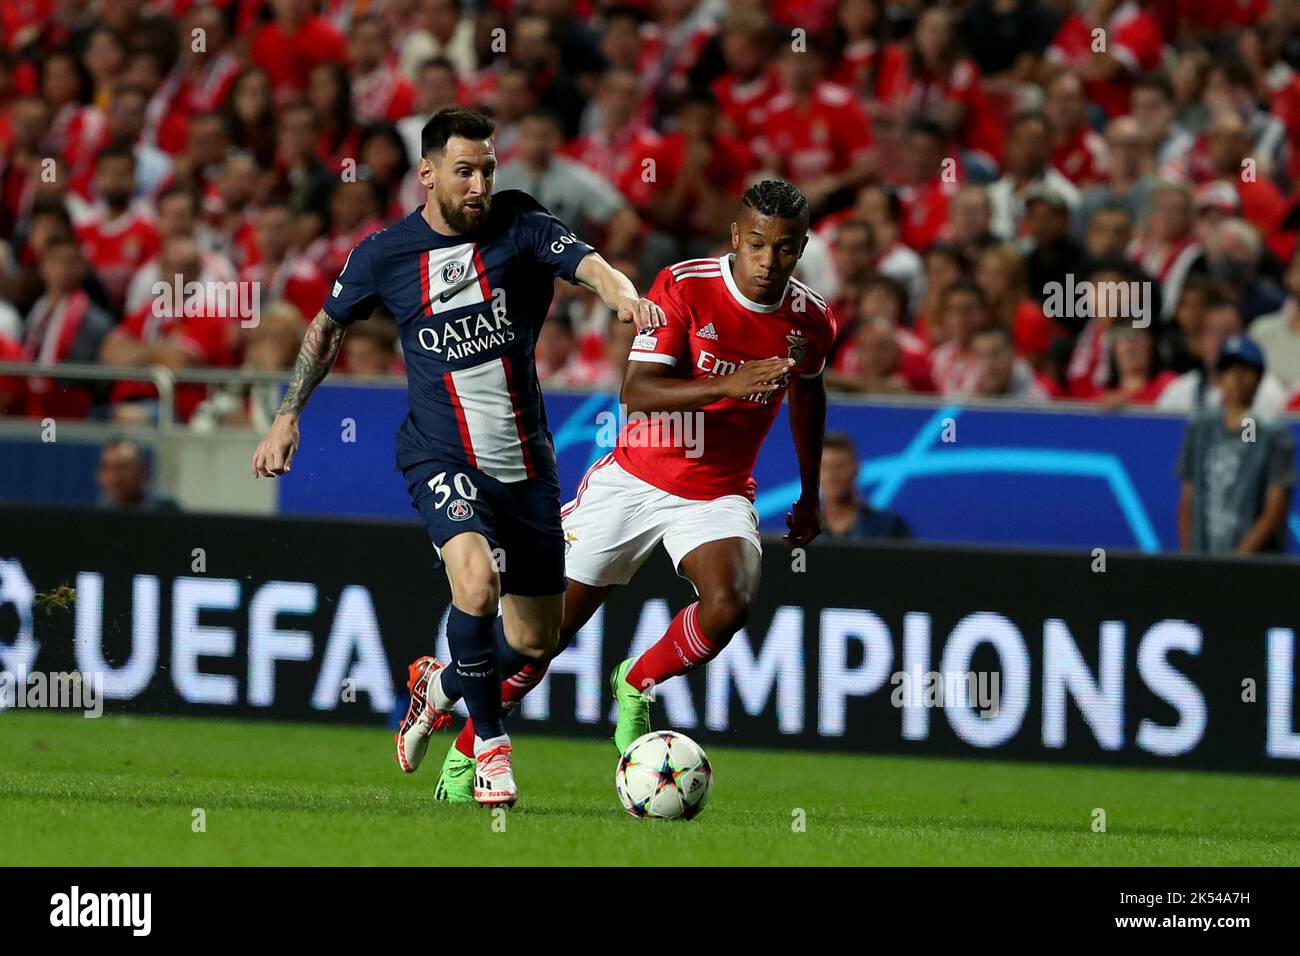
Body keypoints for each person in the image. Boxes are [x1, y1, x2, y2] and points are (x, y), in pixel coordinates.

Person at [249, 107, 663, 807]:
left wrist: (622, 292)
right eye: (465, 171)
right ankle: (493, 752)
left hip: (526, 466)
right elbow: (326, 329)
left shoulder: (520, 222)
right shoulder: (383, 254)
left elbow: (587, 263)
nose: (479, 184)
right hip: (439, 454)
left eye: (488, 169)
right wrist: (287, 416)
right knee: (474, 587)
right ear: (428, 174)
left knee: (536, 642)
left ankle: (435, 687)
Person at [427, 181, 836, 802]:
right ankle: (462, 742)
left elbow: (808, 393)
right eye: (756, 244)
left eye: (784, 249)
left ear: (802, 248)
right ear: (735, 238)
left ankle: (635, 682)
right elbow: (637, 392)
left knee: (730, 605)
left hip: (716, 493)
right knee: (537, 644)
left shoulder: (810, 321)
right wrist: (730, 386)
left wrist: (808, 493)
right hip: (633, 481)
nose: (768, 261)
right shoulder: (685, 285)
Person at [1176, 336, 1295, 555]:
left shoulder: (1274, 436)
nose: (1237, 378)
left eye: (1245, 370)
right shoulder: (1201, 428)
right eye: (1229, 370)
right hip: (1206, 561)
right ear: (1220, 378)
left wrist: (1237, 563)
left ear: (1259, 378)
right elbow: (1187, 500)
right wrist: (1191, 559)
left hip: (1255, 569)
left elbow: (1275, 510)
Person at [818, 432, 910, 539]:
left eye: (839, 466)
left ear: (856, 469)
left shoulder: (889, 527)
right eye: (824, 467)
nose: (831, 476)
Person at [96, 438, 179, 512]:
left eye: (123, 467)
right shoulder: (99, 510)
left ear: (143, 471)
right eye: (106, 468)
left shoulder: (167, 511)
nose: (113, 477)